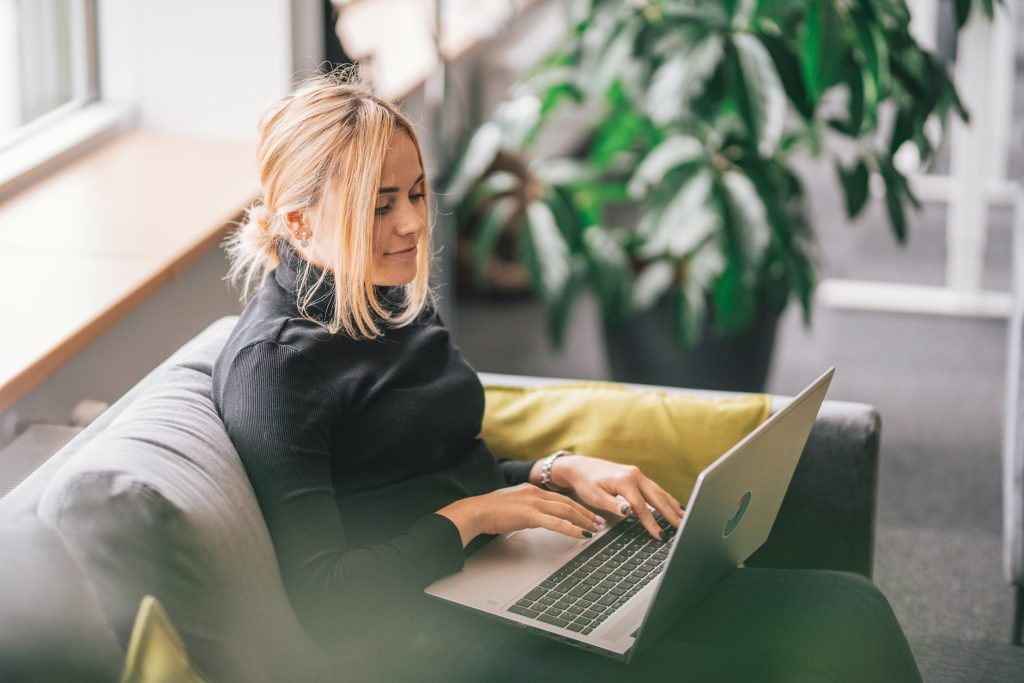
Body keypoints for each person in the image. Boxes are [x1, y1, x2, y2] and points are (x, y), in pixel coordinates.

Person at [211, 69, 922, 682]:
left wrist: (553, 470)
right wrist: (476, 515)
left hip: (506, 576)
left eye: (419, 193)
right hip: (430, 644)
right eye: (381, 204)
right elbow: (327, 597)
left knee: (852, 609)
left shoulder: (385, 296)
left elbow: (439, 464)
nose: (413, 224)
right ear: (300, 225)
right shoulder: (275, 369)